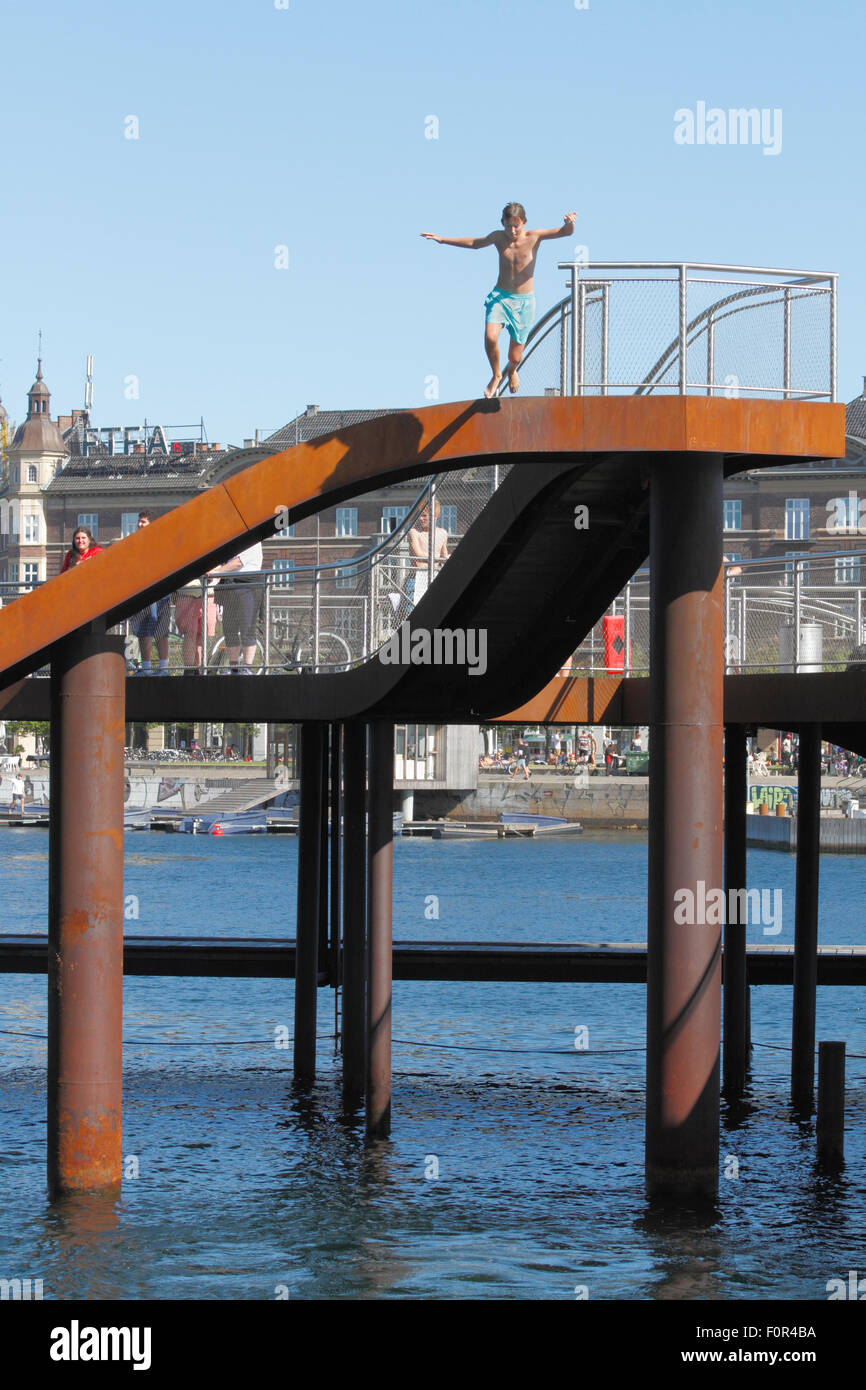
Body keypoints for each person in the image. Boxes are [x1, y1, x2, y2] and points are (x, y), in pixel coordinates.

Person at [422, 202, 577, 398]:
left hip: (524, 302)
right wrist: (443, 239)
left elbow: (565, 232)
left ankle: (511, 370)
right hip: (501, 297)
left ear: (524, 223)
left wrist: (569, 223)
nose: (512, 231)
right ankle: (496, 375)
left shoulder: (534, 237)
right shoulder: (498, 237)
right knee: (490, 337)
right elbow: (475, 243)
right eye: (508, 226)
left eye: (517, 226)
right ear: (502, 223)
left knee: (515, 356)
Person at [209, 541, 264, 673]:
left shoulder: (253, 541)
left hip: (248, 586)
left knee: (247, 628)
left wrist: (216, 572)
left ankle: (247, 668)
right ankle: (233, 667)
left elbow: (239, 562)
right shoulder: (233, 539)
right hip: (229, 586)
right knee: (229, 628)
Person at [129, 513, 172, 675]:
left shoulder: (159, 542)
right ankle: (146, 668)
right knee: (144, 629)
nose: (140, 524)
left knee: (161, 629)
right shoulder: (135, 543)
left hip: (159, 592)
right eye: (139, 521)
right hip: (143, 592)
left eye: (143, 522)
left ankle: (164, 667)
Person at [174, 572, 218, 674]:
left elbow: (219, 569)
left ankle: (199, 668)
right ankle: (189, 669)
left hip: (209, 595)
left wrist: (215, 579)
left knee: (203, 635)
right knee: (190, 633)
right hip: (187, 593)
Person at [407, 502, 449, 606]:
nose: (421, 519)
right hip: (416, 578)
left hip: (434, 576)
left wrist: (448, 557)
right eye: (420, 515)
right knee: (410, 612)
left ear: (435, 516)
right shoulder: (414, 532)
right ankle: (407, 623)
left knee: (435, 608)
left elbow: (444, 555)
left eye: (424, 515)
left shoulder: (443, 533)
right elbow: (418, 555)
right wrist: (439, 559)